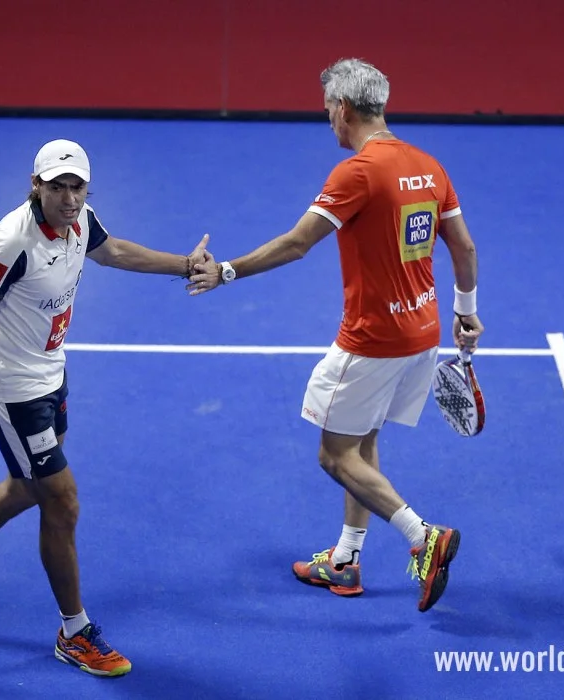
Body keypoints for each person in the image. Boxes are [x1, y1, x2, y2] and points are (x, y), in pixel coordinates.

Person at [0, 138, 210, 676]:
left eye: (76, 187)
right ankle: (74, 632)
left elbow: (114, 252)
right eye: (56, 186)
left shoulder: (81, 220)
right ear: (35, 186)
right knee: (61, 501)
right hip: (11, 391)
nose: (68, 197)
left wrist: (182, 265)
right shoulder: (11, 244)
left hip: (50, 375)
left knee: (26, 487)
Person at [187, 59, 483, 612]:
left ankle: (424, 538)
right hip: (425, 332)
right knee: (363, 440)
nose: (327, 120)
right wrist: (467, 311)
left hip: (372, 339)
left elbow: (298, 243)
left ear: (344, 109)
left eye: (328, 109)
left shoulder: (358, 172)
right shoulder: (430, 166)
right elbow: (463, 248)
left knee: (333, 454)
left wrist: (227, 270)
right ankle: (345, 562)